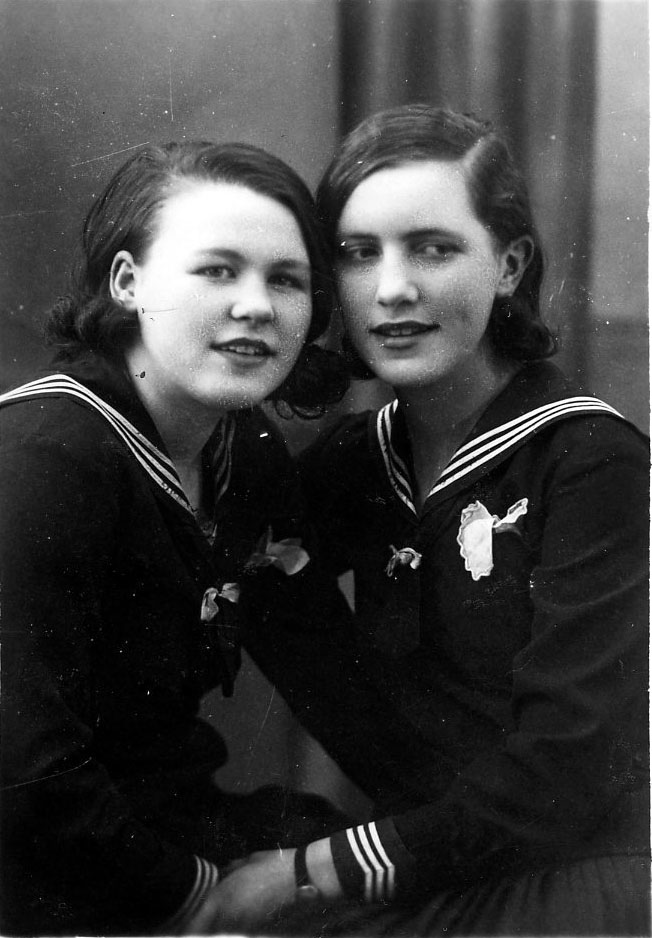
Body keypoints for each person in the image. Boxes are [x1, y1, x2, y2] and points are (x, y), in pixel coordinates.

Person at [231, 105, 650, 936]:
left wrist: (315, 870)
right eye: (359, 253)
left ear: (509, 264)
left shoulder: (588, 460)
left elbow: (565, 769)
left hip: (586, 878)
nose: (393, 289)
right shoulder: (355, 461)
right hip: (436, 867)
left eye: (433, 248)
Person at [0, 140, 355, 936]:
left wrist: (432, 835)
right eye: (217, 270)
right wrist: (193, 897)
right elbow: (21, 770)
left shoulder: (243, 452)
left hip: (158, 824)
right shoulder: (45, 457)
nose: (256, 306)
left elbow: (333, 676)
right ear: (127, 282)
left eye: (286, 280)